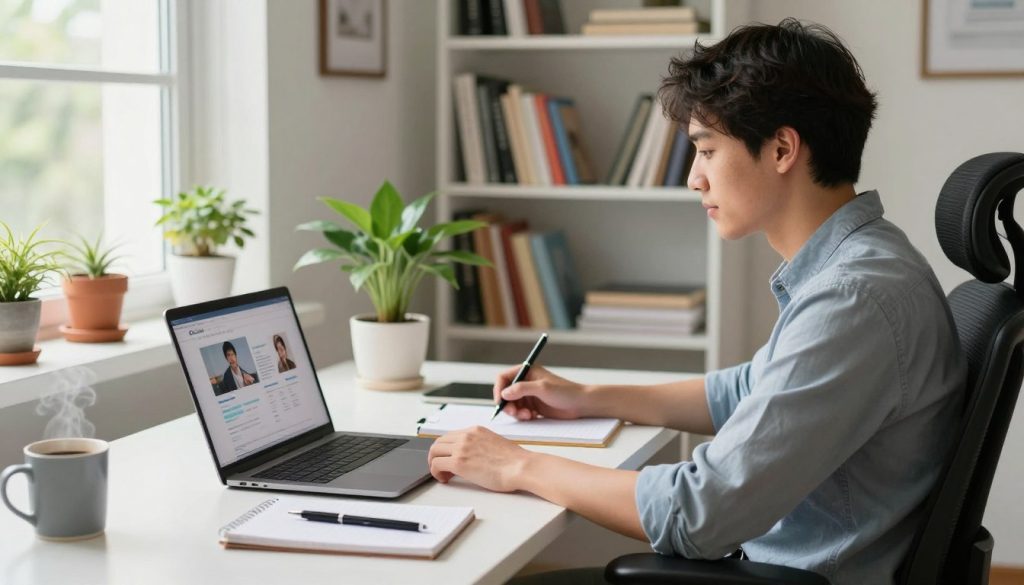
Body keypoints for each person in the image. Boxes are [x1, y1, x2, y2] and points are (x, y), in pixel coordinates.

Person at [426, 19, 966, 585]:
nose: (694, 179)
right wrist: (587, 396)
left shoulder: (853, 297)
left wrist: (516, 464)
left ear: (782, 148)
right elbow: (750, 389)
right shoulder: (863, 264)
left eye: (706, 150)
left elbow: (700, 513)